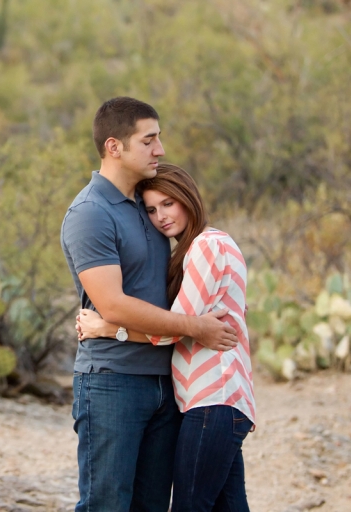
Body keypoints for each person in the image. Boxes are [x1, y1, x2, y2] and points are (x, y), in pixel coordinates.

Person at [60, 97, 239, 512]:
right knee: (106, 505)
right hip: (112, 380)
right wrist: (196, 327)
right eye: (149, 140)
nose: (160, 149)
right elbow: (114, 305)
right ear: (114, 146)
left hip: (166, 381)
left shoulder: (149, 206)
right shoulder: (90, 213)